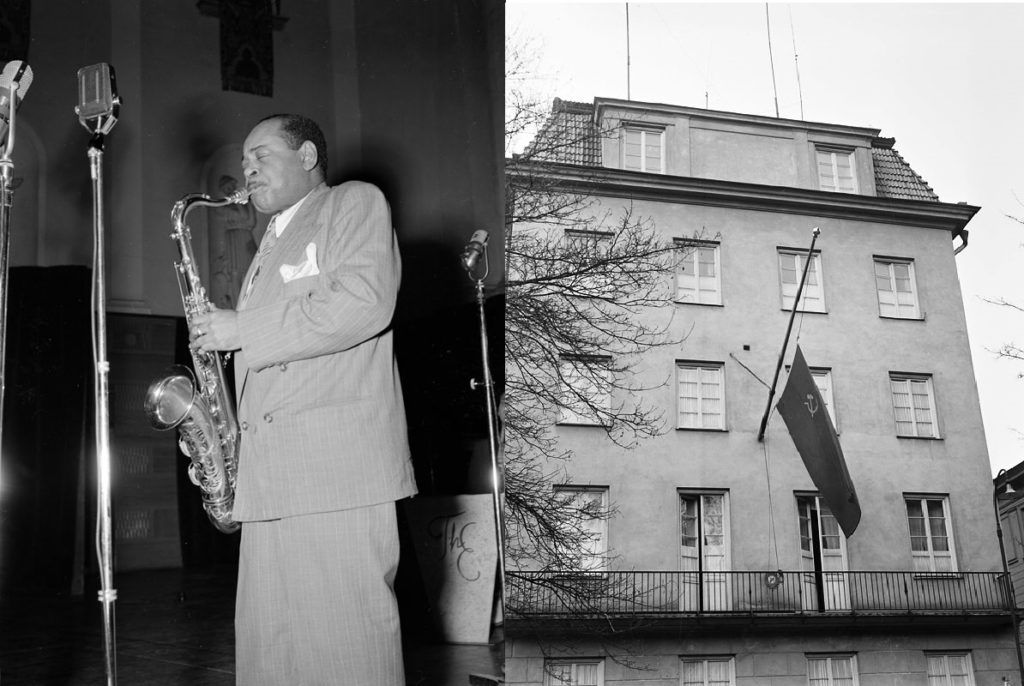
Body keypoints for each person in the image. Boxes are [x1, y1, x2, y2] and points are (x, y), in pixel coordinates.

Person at [191, 113, 418, 685]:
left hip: (335, 473)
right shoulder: (269, 243)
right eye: (243, 161)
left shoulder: (353, 202)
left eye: (260, 156)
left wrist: (241, 329)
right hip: (272, 479)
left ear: (309, 157)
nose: (247, 170)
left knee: (348, 651)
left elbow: (365, 302)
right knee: (272, 653)